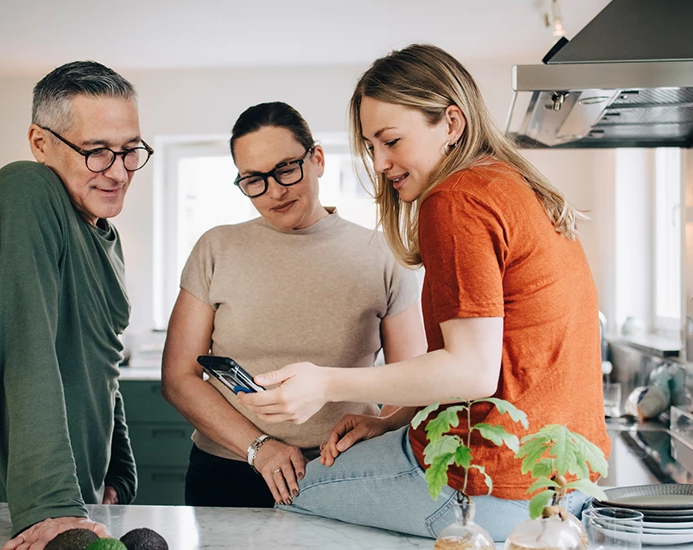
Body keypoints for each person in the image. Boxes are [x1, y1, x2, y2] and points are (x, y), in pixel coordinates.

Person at [239, 45, 610, 541]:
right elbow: (497, 359)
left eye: (391, 140)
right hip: (561, 484)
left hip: (487, 486)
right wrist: (395, 420)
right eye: (371, 146)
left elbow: (472, 371)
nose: (380, 163)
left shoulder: (455, 199)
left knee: (294, 496)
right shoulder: (509, 184)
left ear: (451, 123)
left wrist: (324, 383)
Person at [0, 61, 154, 549]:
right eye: (96, 152)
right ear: (41, 143)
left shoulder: (105, 236)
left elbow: (100, 361)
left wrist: (117, 470)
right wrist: (52, 505)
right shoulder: (25, 190)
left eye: (130, 151)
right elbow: (28, 350)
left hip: (71, 511)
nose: (118, 172)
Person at [161, 101, 426, 508]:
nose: (275, 190)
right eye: (254, 179)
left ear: (317, 159)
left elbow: (412, 380)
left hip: (345, 469)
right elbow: (179, 377)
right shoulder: (216, 248)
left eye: (286, 169)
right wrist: (259, 447)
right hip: (230, 470)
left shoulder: (383, 254)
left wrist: (383, 424)